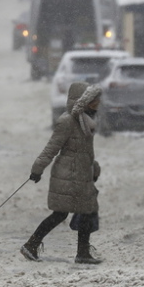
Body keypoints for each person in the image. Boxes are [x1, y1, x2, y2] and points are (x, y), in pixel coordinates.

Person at [21, 82, 104, 265]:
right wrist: (37, 169)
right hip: (68, 175)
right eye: (93, 100)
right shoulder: (67, 121)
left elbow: (85, 152)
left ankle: (82, 252)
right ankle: (31, 245)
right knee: (61, 213)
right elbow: (51, 148)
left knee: (86, 211)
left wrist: (94, 169)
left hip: (81, 175)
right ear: (83, 101)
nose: (97, 102)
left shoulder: (85, 121)